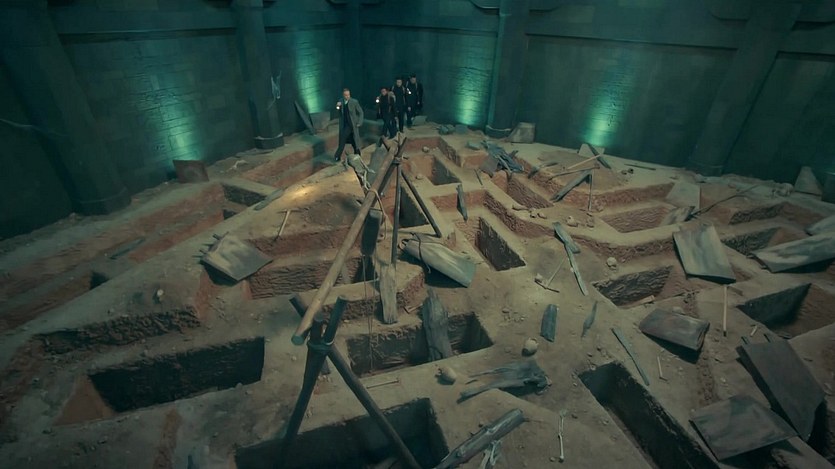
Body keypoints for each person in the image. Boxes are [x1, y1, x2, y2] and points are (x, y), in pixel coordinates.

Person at [333, 88, 363, 162]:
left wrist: (359, 122)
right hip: (344, 124)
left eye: (348, 95)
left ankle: (337, 155)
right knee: (352, 140)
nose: (347, 96)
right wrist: (338, 107)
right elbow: (338, 113)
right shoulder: (341, 101)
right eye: (346, 95)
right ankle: (357, 152)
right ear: (343, 95)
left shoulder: (354, 102)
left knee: (343, 139)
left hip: (352, 124)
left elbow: (361, 112)